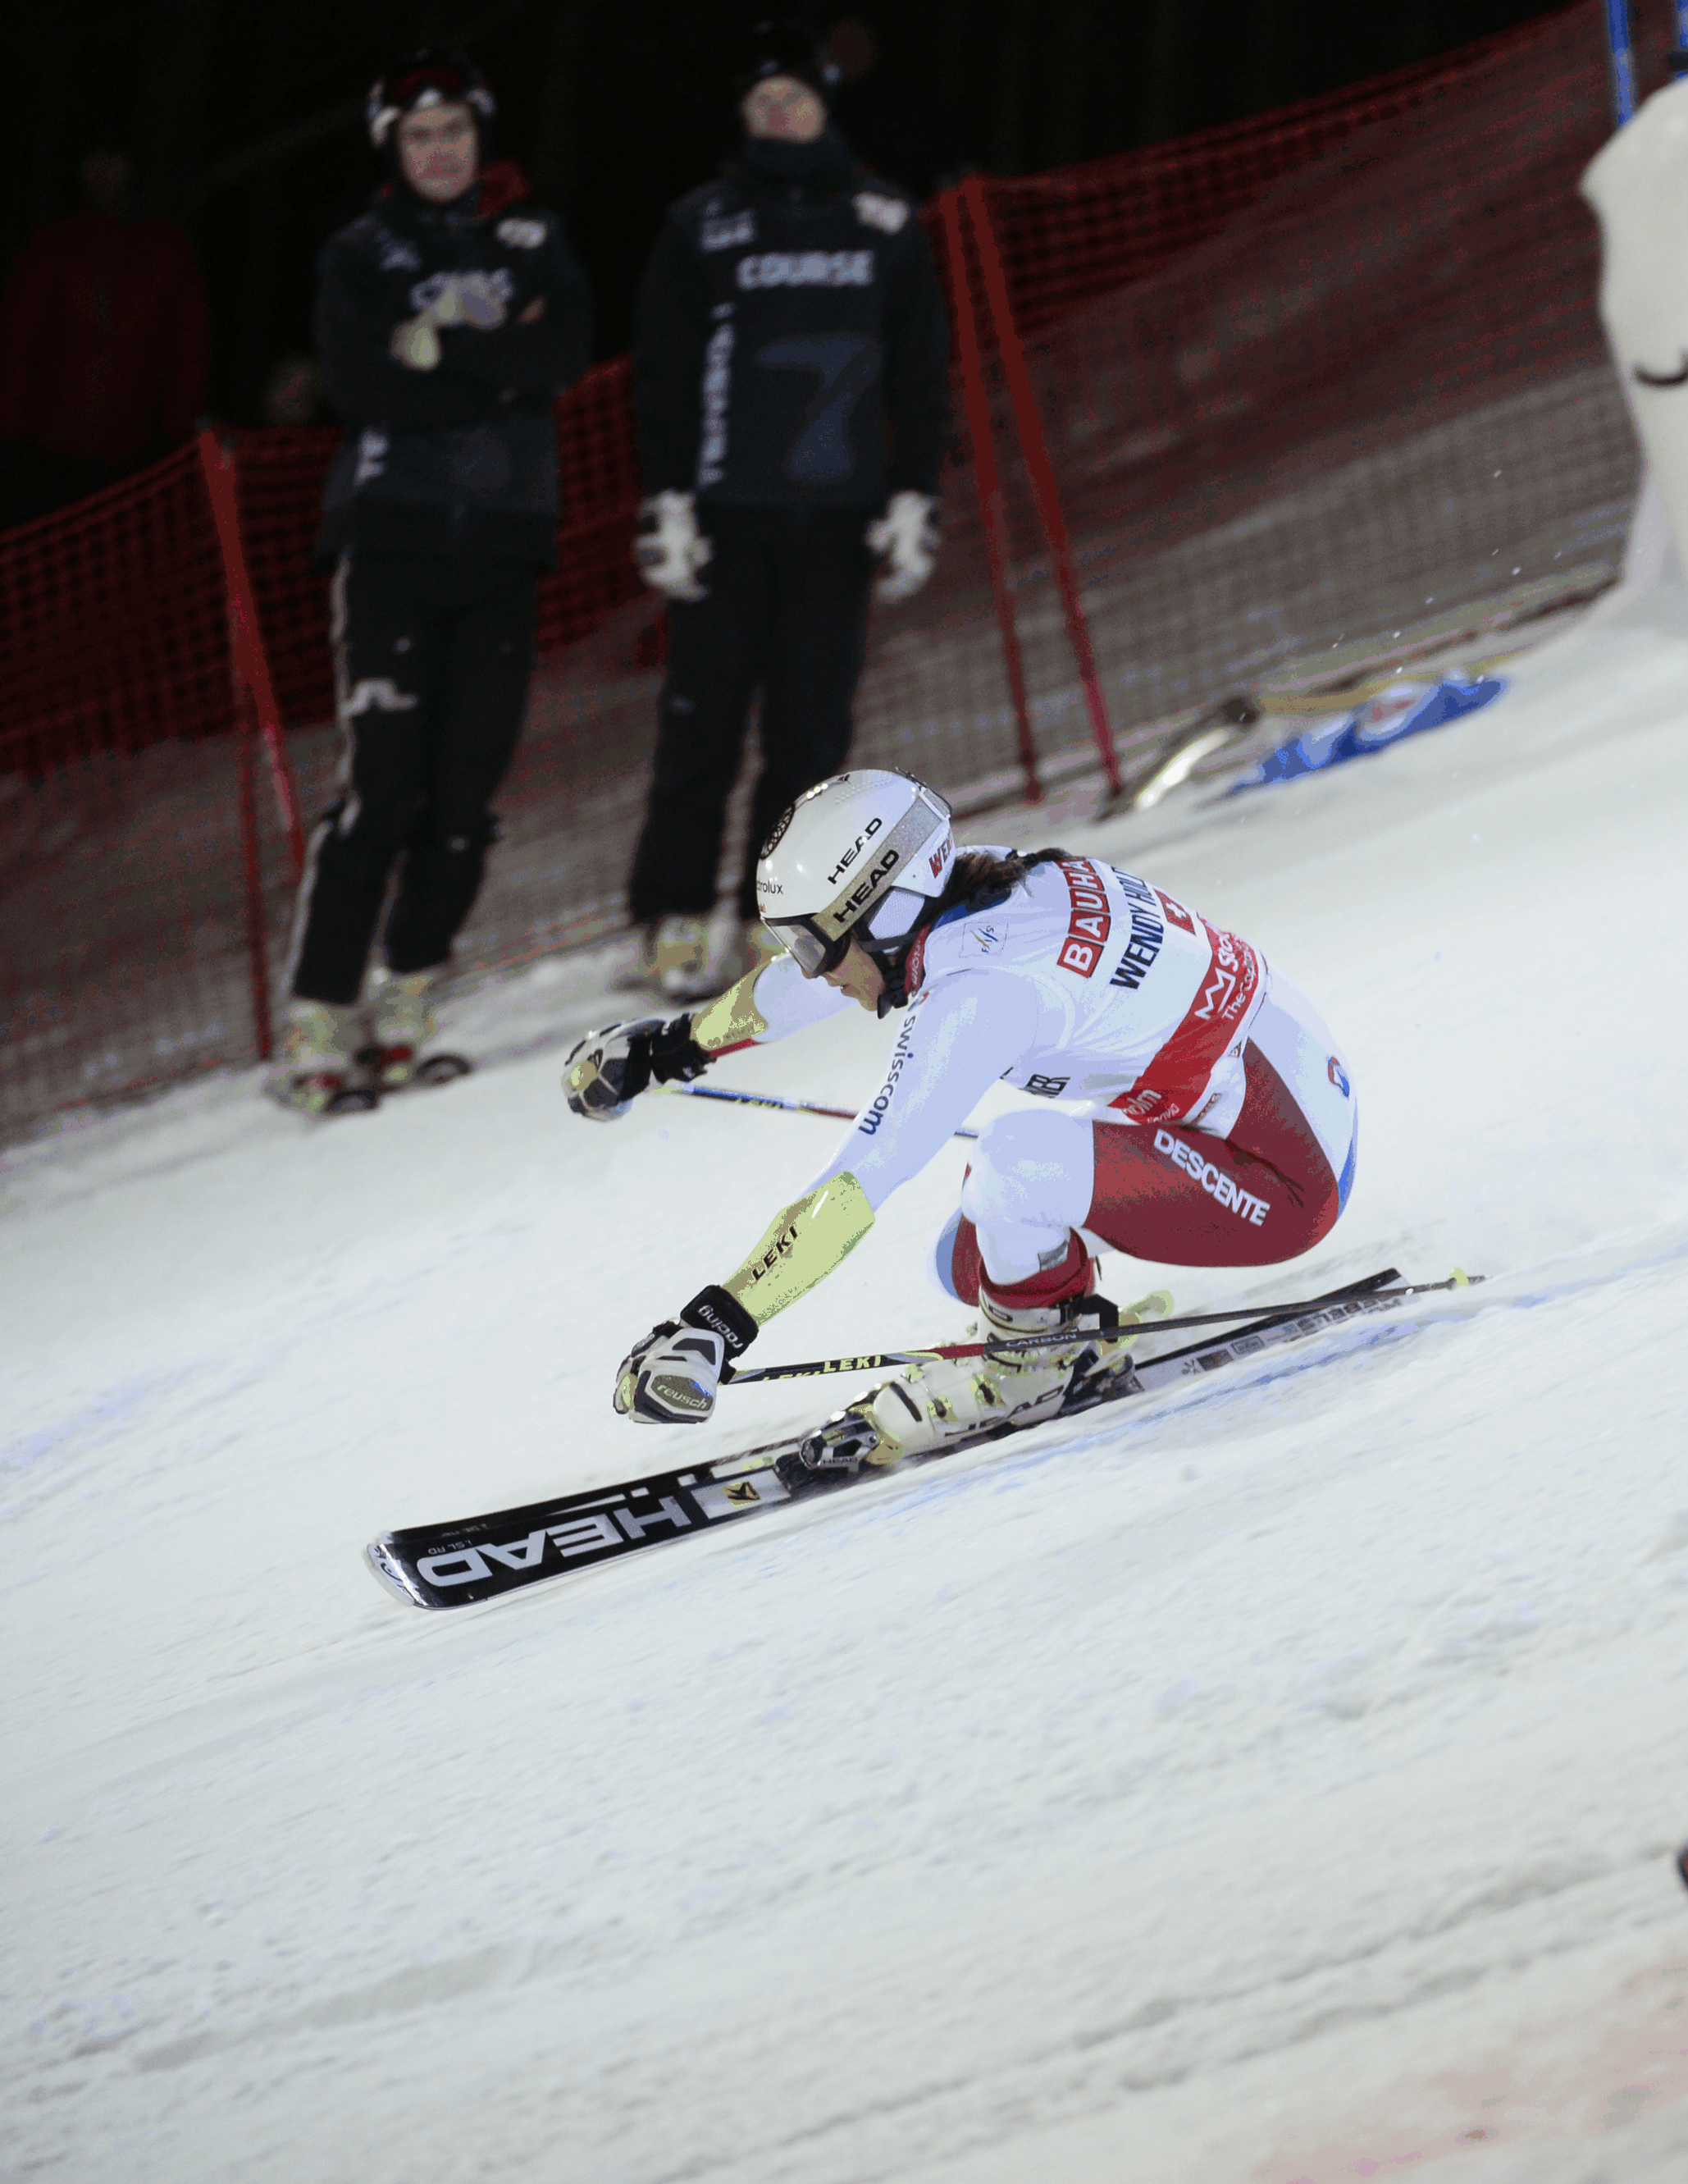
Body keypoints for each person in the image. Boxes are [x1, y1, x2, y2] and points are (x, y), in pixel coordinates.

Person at [562, 770, 1362, 1470]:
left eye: (811, 946)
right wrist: (671, 1048)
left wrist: (717, 1324)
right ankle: (1064, 1327)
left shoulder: (980, 992)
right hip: (1284, 1100)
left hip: (1286, 1177)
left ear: (883, 918)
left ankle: (1029, 1372)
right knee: (968, 1262)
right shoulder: (989, 888)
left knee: (1012, 1164)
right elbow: (810, 984)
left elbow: (857, 1180)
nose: (809, 969)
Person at [272, 50, 591, 1112]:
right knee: (382, 792)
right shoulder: (361, 252)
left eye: (455, 130)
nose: (441, 150)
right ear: (392, 150)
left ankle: (406, 990)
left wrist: (444, 346)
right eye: (419, 136)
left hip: (504, 545)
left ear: (479, 139)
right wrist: (500, 358)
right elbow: (363, 386)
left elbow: (567, 359)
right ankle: (320, 1008)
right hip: (392, 543)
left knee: (463, 798)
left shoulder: (534, 237)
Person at [621, 21, 951, 1003]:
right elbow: (665, 374)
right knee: (702, 727)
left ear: (824, 107)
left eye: (796, 98)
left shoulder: (885, 218)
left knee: (810, 737)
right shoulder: (703, 223)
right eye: (763, 100)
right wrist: (667, 499)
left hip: (838, 519)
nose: (780, 113)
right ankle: (675, 920)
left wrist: (914, 493)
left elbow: (920, 367)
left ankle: (783, 919)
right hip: (726, 516)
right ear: (744, 115)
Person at [0, 149, 208, 528]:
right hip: (50, 445)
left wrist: (176, 434)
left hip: (133, 447)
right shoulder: (53, 243)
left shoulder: (166, 248)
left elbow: (188, 347)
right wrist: (12, 431)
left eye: (114, 161)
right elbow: (19, 339)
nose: (102, 173)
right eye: (93, 161)